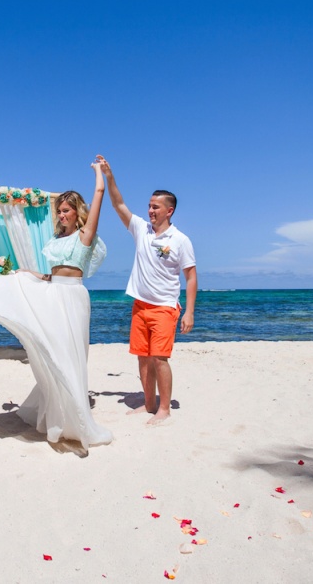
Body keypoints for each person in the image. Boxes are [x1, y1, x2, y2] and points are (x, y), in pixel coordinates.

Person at [0, 162, 113, 449]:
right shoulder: (56, 239)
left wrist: (99, 172)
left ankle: (75, 416)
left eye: (66, 210)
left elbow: (99, 195)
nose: (61, 215)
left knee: (72, 355)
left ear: (77, 212)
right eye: (59, 211)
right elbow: (52, 275)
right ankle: (55, 412)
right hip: (53, 293)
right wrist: (27, 273)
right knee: (52, 351)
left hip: (74, 298)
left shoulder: (84, 236)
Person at [97, 154, 197, 426]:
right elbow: (118, 204)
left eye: (155, 207)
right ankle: (149, 403)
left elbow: (190, 277)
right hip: (140, 306)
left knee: (160, 359)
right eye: (149, 206)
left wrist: (189, 312)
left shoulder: (181, 240)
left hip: (165, 307)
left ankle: (164, 409)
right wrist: (109, 176)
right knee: (143, 358)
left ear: (169, 211)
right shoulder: (141, 230)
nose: (150, 211)